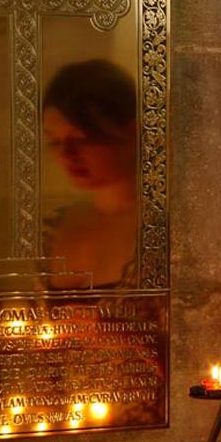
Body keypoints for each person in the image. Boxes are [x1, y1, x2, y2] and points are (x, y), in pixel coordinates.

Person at [41, 60, 138, 289]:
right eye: (54, 141)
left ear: (131, 133)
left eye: (81, 138)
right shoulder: (52, 227)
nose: (67, 155)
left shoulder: (165, 232)